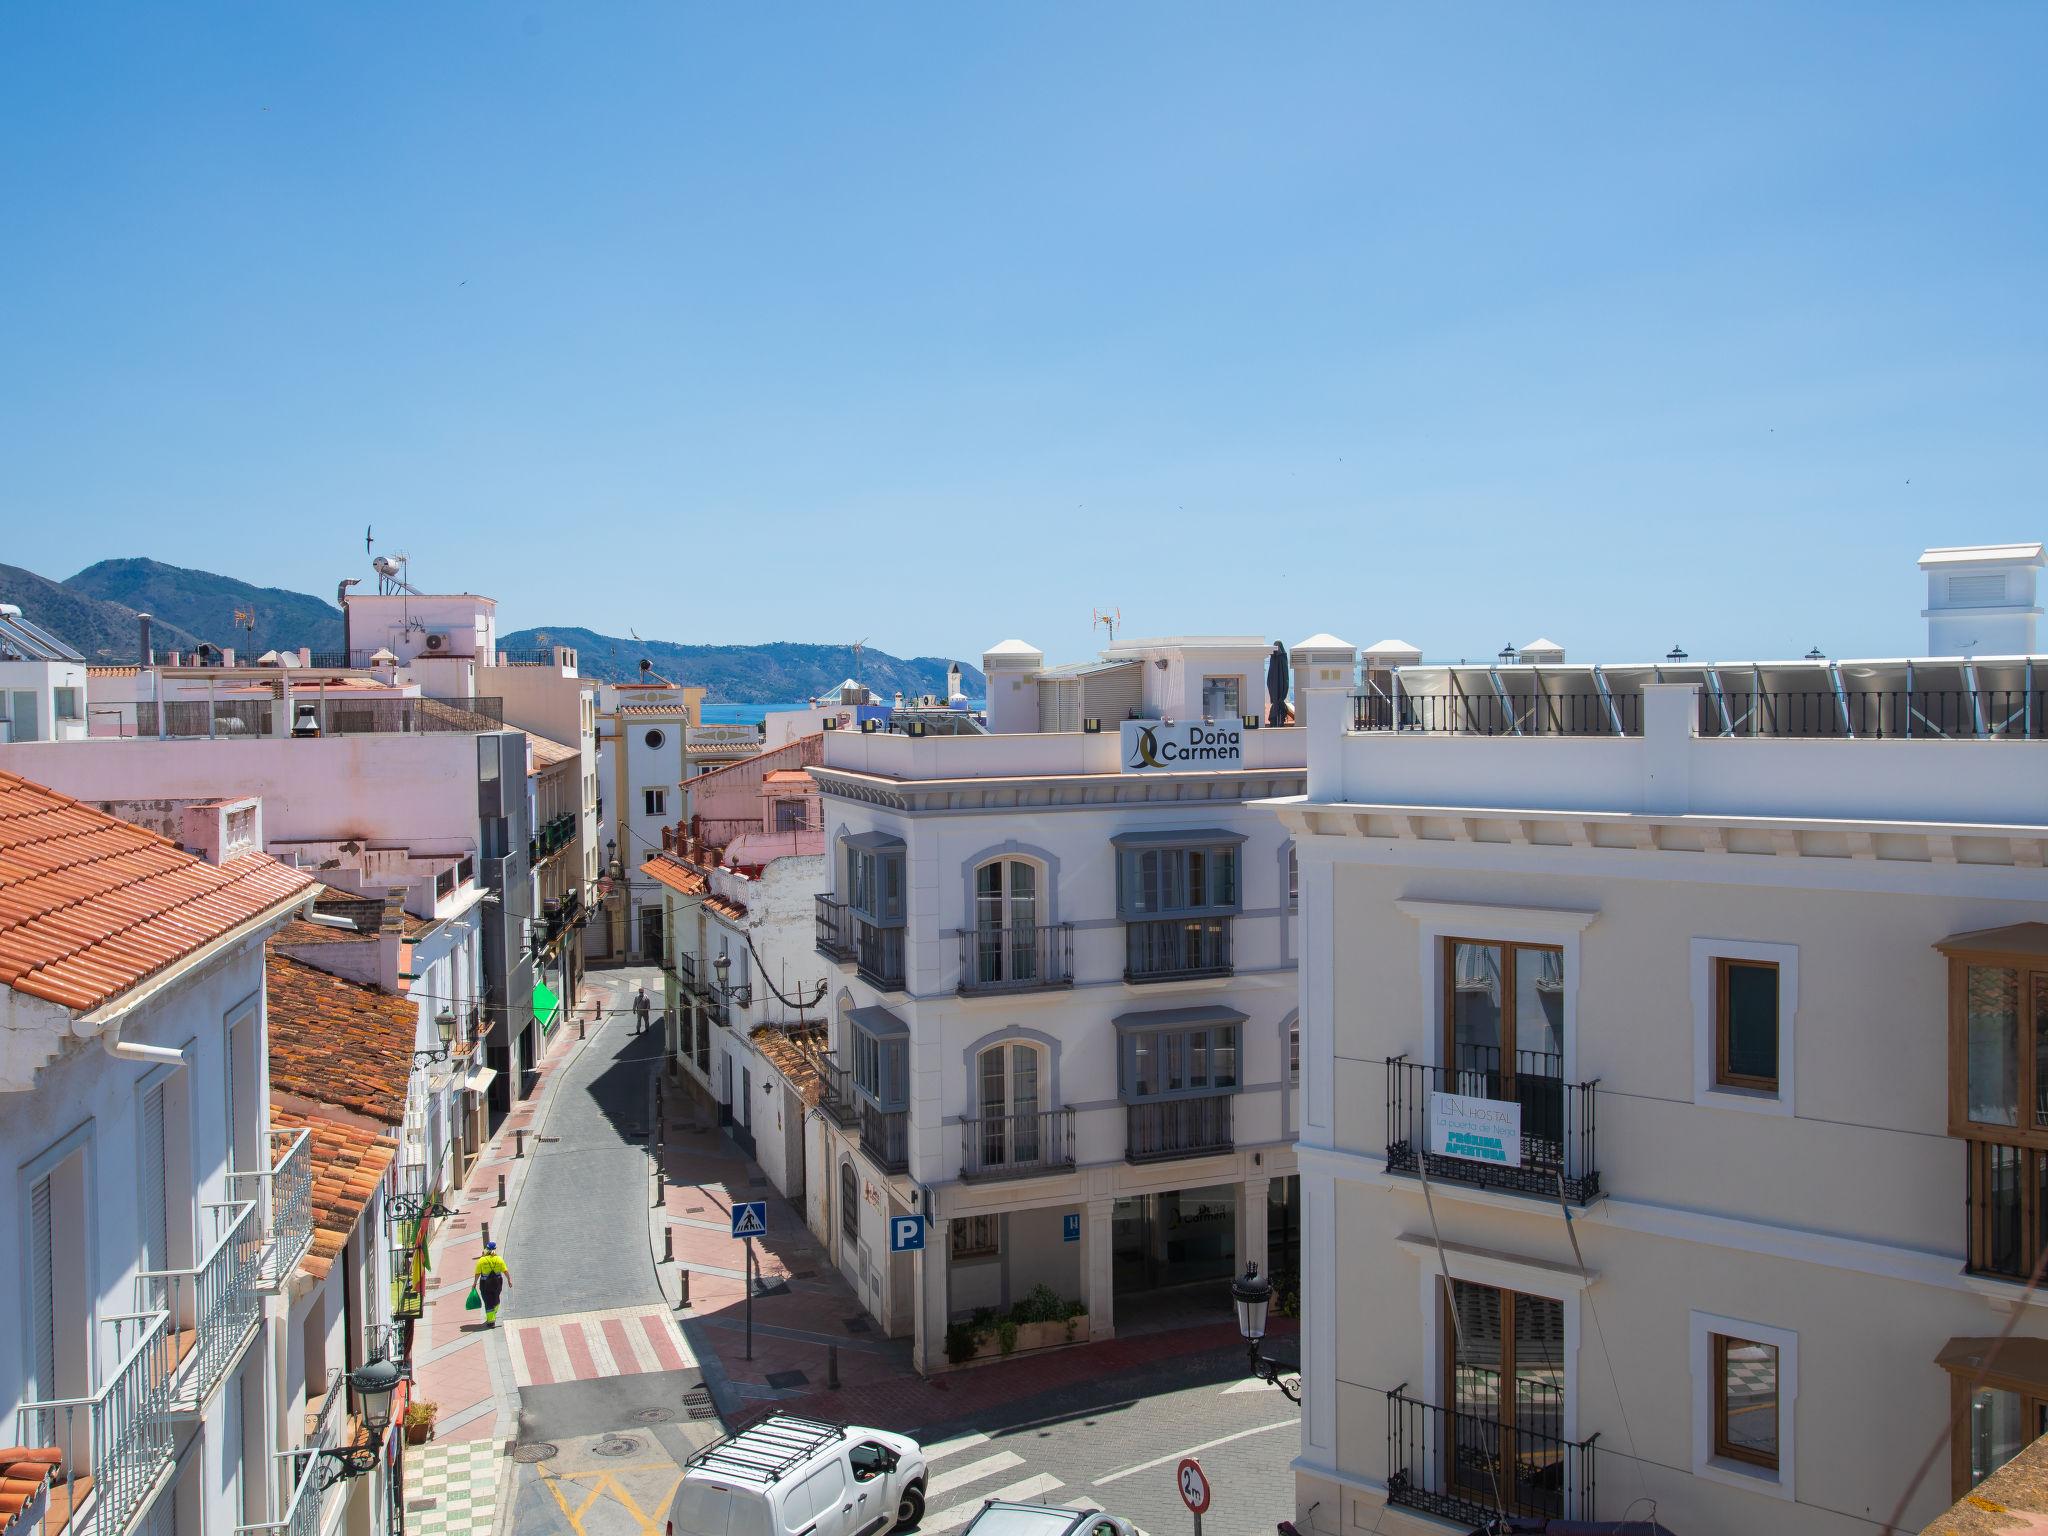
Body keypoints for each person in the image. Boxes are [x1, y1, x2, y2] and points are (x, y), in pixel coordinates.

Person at [473, 1240, 510, 1327]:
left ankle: (491, 1322)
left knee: (488, 1301)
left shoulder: (482, 1260)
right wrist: (509, 1280)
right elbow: (505, 1271)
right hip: (498, 1282)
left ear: (487, 1249)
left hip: (485, 1284)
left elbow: (477, 1273)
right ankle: (494, 1310)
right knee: (496, 1298)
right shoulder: (499, 1259)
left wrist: (474, 1283)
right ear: (495, 1249)